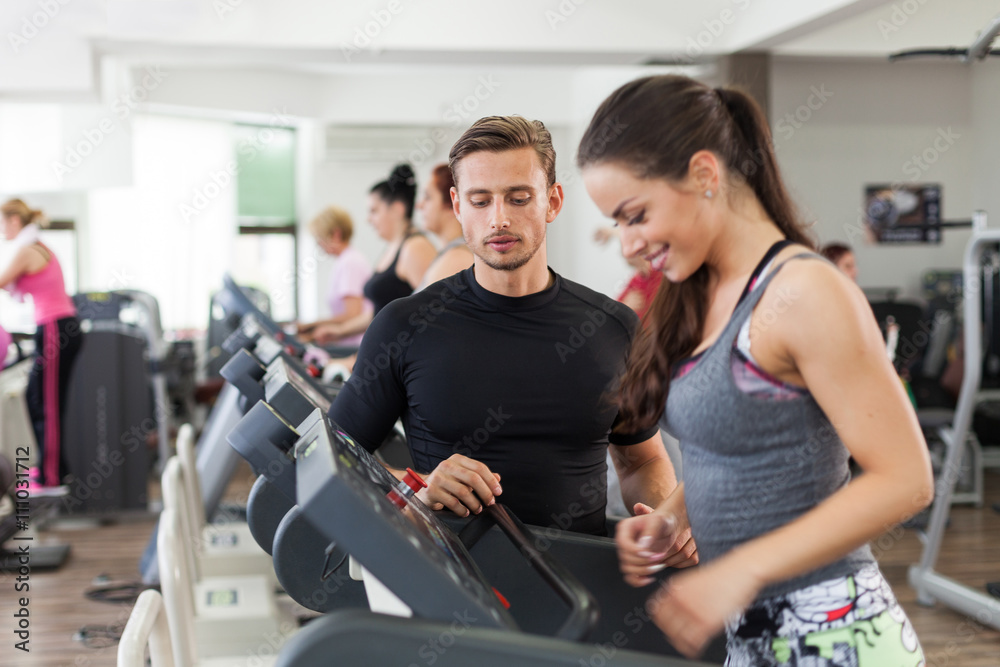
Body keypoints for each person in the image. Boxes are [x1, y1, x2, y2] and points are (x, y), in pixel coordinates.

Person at [578, 75, 932, 664]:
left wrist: (739, 570)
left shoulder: (805, 292)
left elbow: (906, 479)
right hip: (754, 631)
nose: (627, 244)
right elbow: (739, 448)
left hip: (834, 629)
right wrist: (673, 518)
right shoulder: (703, 295)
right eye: (617, 223)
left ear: (704, 175)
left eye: (634, 215)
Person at [328, 116, 689, 543]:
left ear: (552, 202)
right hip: (449, 591)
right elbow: (334, 458)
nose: (499, 219)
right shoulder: (405, 325)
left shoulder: (613, 328)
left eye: (518, 199)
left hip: (581, 592)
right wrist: (415, 487)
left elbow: (640, 462)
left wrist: (665, 515)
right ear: (458, 205)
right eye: (480, 201)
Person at [0, 199, 83, 489]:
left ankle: (51, 476)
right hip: (54, 327)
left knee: (47, 404)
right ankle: (54, 469)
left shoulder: (28, 249)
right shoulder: (36, 245)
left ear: (13, 221)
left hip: (54, 328)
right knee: (35, 397)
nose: (1, 231)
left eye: (1, 223)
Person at [312, 165, 436, 344]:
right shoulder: (393, 248)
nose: (368, 220)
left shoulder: (415, 247)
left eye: (374, 211)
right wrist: (339, 331)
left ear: (397, 209)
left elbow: (435, 315)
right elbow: (380, 310)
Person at [297, 206, 373, 348]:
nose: (318, 244)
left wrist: (312, 326)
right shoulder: (346, 260)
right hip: (347, 343)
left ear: (336, 234)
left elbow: (352, 315)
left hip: (355, 345)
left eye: (319, 238)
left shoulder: (350, 263)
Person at [415, 163, 474, 289]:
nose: (419, 205)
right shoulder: (449, 254)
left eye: (428, 197)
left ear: (452, 203)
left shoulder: (457, 258)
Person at [593, 226, 663, 319]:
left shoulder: (661, 273)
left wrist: (611, 232)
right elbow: (611, 314)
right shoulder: (635, 281)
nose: (621, 253)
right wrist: (626, 306)